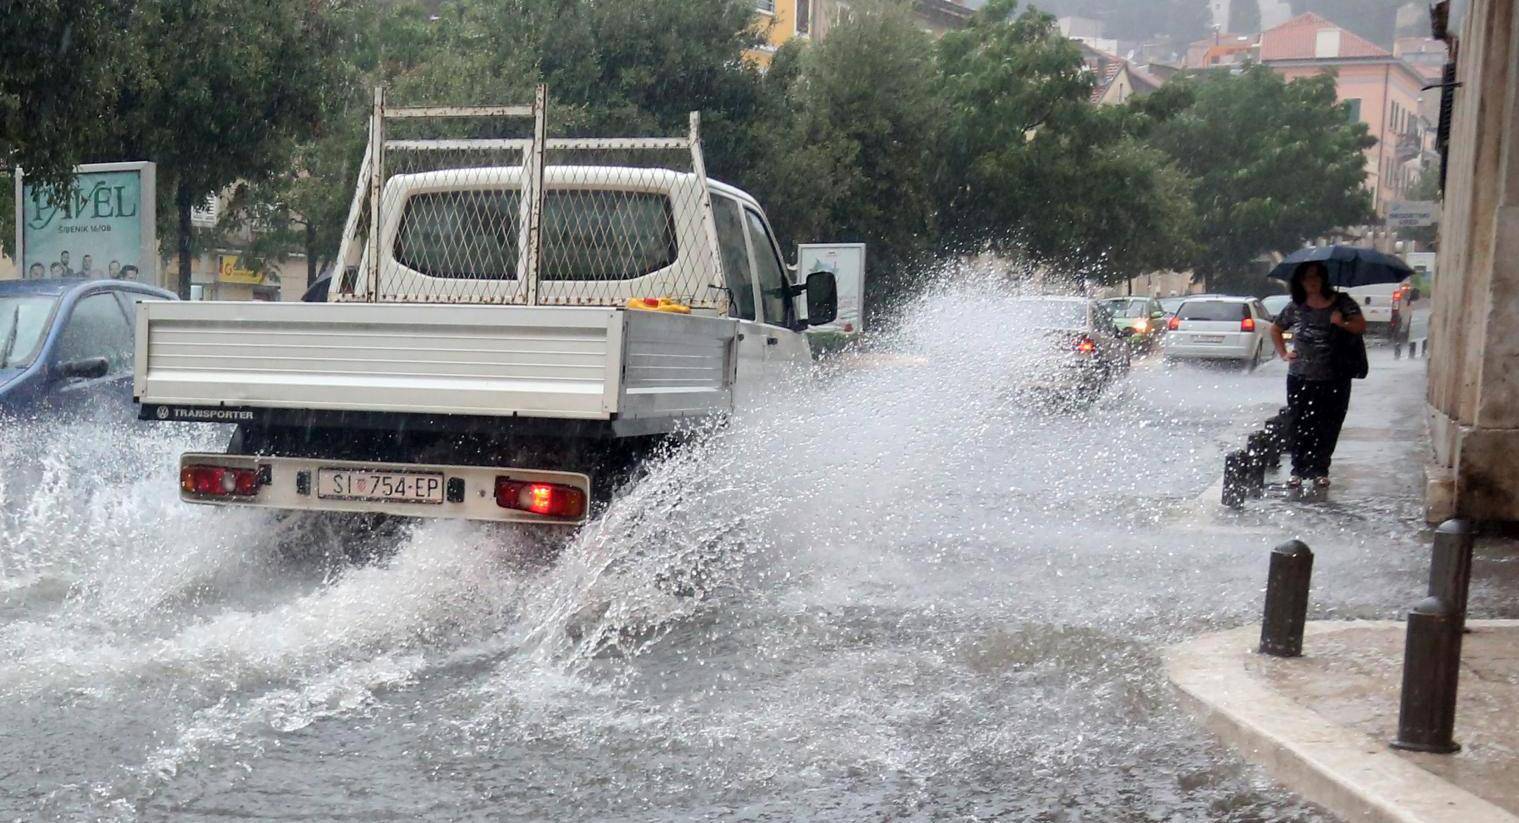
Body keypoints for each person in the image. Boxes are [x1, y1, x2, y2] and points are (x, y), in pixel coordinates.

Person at [1270, 261, 1367, 488]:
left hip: (1335, 375)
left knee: (1329, 424)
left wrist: (1340, 321)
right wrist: (1284, 353)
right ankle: (1298, 469)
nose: (1312, 282)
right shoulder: (1296, 306)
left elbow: (1360, 326)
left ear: (1323, 279)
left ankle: (1320, 469)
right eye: (1306, 278)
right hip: (1300, 376)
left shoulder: (1342, 303)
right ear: (1300, 282)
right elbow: (1276, 328)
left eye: (1316, 277)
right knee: (1300, 422)